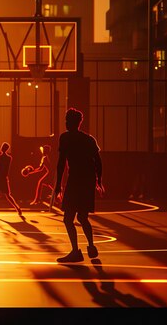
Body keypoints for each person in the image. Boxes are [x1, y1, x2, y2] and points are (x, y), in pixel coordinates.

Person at [54, 108, 104, 263]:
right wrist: (98, 180)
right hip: (87, 181)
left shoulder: (66, 138)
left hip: (75, 180)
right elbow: (98, 161)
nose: (66, 123)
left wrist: (58, 185)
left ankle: (76, 251)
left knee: (68, 218)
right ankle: (91, 246)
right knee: (83, 217)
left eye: (67, 121)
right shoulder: (89, 139)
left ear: (71, 122)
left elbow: (61, 163)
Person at [0, 142, 22, 217]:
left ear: (2, 148)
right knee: (7, 195)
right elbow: (7, 169)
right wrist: (5, 177)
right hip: (3, 177)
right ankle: (18, 208)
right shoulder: (9, 158)